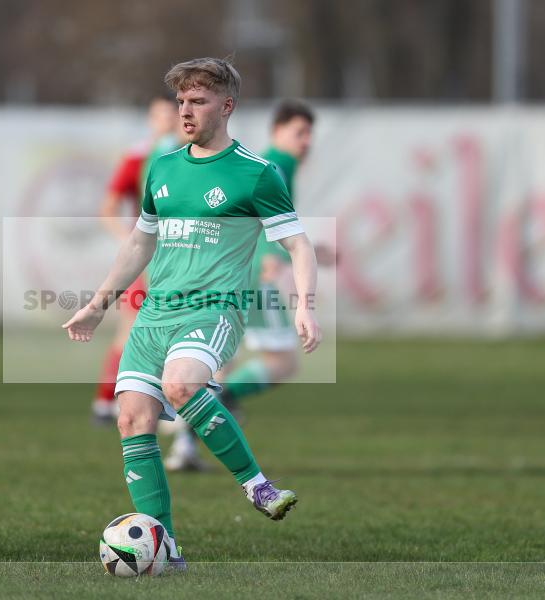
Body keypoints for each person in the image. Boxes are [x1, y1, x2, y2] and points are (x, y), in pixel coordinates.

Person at [62, 58, 320, 568]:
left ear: (227, 106)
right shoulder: (162, 166)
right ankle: (166, 548)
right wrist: (97, 305)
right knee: (133, 418)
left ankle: (258, 487)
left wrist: (305, 306)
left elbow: (298, 244)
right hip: (156, 313)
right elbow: (139, 243)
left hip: (213, 309)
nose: (185, 110)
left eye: (198, 101)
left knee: (182, 387)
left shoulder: (256, 174)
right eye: (181, 100)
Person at [162, 99, 316, 471]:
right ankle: (222, 401)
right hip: (252, 277)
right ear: (277, 132)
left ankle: (186, 444)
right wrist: (272, 257)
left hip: (226, 276)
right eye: (300, 132)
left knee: (219, 365)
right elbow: (265, 222)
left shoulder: (256, 162)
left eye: (311, 134)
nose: (307, 141)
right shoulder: (279, 163)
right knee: (282, 363)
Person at [92, 95, 179, 425]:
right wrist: (128, 240)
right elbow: (108, 209)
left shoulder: (190, 157)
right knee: (129, 331)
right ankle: (105, 401)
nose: (169, 120)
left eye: (174, 113)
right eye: (161, 115)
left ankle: (162, 405)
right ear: (150, 120)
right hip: (148, 259)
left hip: (178, 257)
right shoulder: (139, 158)